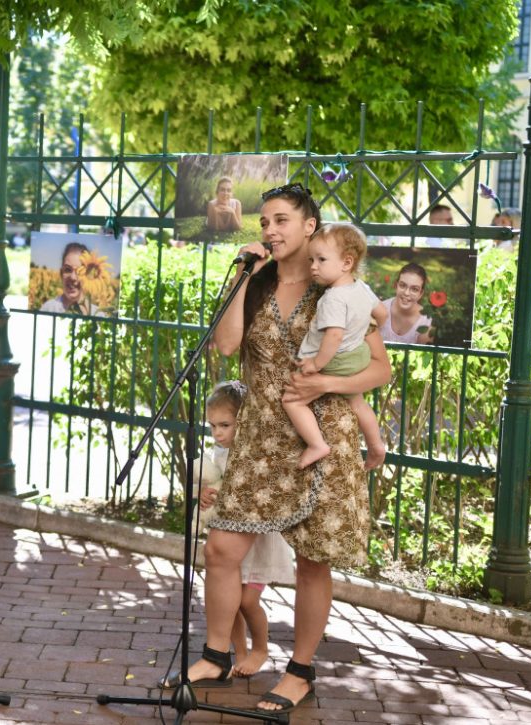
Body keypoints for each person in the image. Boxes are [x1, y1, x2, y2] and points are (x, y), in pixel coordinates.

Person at [163, 183, 391, 715]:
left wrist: (323, 385)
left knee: (313, 561)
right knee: (221, 550)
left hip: (322, 435)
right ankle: (218, 653)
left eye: (282, 220)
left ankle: (300, 670)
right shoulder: (257, 281)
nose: (271, 230)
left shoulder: (336, 280)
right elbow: (224, 345)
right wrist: (244, 278)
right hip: (260, 434)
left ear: (310, 226)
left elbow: (380, 369)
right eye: (265, 221)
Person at [190, 380, 294, 680]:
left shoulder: (256, 453)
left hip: (258, 540)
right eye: (212, 426)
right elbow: (213, 485)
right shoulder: (218, 454)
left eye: (225, 424)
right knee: (230, 600)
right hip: (229, 530)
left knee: (247, 600)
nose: (217, 433)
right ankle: (239, 652)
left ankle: (260, 647)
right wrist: (204, 494)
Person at [284, 223, 387, 469]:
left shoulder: (332, 298)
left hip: (336, 360)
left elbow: (333, 336)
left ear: (346, 263)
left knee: (292, 400)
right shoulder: (361, 288)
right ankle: (376, 445)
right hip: (357, 355)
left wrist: (316, 364)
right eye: (311, 259)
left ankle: (317, 444)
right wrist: (364, 329)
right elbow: (382, 314)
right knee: (358, 402)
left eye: (321, 259)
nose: (313, 266)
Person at [379, 262, 434, 344]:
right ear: (396, 285)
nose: (407, 293)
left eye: (414, 289)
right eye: (402, 285)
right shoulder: (380, 309)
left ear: (421, 293)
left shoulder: (425, 321)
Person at [39, 242, 101, 315]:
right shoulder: (48, 309)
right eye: (67, 270)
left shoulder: (98, 315)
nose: (73, 277)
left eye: (80, 271)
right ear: (61, 274)